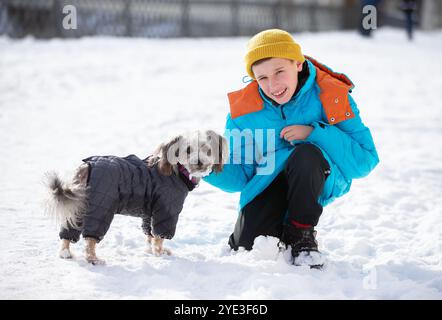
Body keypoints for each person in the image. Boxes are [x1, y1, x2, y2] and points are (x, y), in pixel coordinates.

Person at [203, 29, 379, 267]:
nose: (273, 84)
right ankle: (274, 230)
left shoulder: (331, 94)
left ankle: (301, 234)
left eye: (279, 72)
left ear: (297, 63)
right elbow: (241, 176)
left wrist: (314, 134)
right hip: (267, 183)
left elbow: (364, 160)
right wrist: (208, 166)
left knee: (305, 154)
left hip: (314, 173)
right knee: (247, 248)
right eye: (262, 78)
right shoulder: (243, 112)